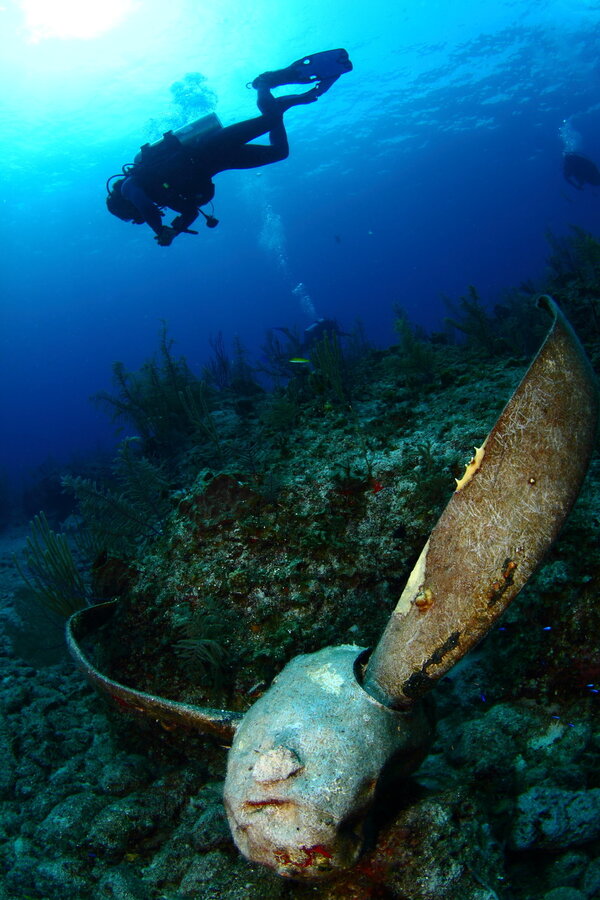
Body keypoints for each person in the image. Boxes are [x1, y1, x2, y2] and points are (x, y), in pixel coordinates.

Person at [106, 49, 352, 246]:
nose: (137, 217)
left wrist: (161, 231)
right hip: (220, 162)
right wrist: (176, 230)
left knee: (269, 121)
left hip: (208, 147)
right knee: (279, 152)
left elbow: (144, 205)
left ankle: (264, 84)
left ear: (123, 205)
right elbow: (190, 212)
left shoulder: (131, 186)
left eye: (131, 216)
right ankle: (280, 107)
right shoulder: (164, 197)